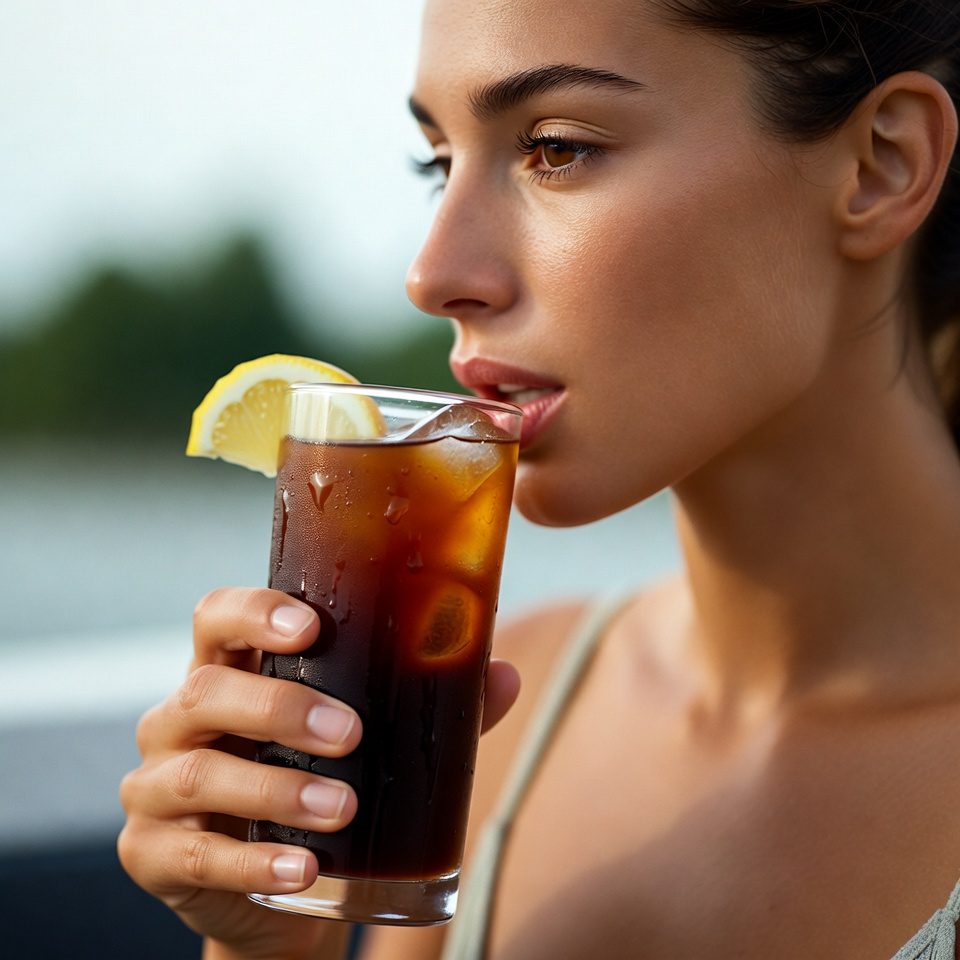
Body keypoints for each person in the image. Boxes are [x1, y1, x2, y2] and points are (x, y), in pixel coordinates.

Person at [118, 0, 960, 957]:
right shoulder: (485, 727)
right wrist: (264, 943)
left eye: (556, 148)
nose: (431, 274)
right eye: (437, 165)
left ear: (883, 165)